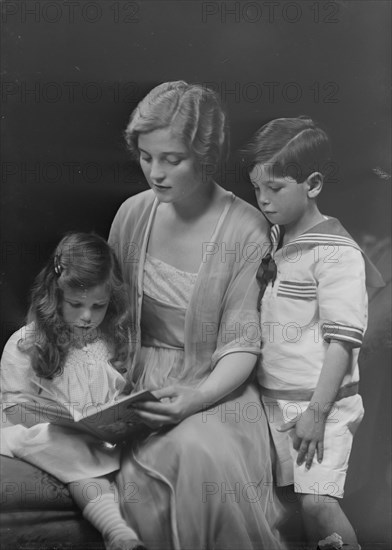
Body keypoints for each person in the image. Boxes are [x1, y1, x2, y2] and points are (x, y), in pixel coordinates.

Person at [108, 81, 284, 550]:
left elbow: (243, 344)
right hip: (136, 381)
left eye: (172, 159)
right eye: (146, 156)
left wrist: (193, 399)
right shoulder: (131, 215)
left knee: (193, 451)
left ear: (205, 157)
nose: (155, 173)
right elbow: (109, 320)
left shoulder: (247, 228)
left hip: (215, 387)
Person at [242, 116, 384, 550]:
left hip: (320, 404)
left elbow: (343, 340)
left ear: (314, 184)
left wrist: (317, 413)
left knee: (318, 504)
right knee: (283, 508)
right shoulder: (278, 238)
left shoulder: (337, 254)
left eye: (276, 188)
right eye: (257, 188)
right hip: (275, 398)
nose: (264, 200)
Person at [0, 233, 148, 550]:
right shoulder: (26, 343)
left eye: (99, 306)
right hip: (36, 432)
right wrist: (66, 420)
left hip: (98, 438)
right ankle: (116, 532)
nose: (87, 316)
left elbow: (121, 396)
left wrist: (121, 417)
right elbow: (14, 410)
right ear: (55, 296)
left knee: (132, 452)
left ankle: (125, 528)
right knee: (60, 441)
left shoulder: (111, 343)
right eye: (76, 304)